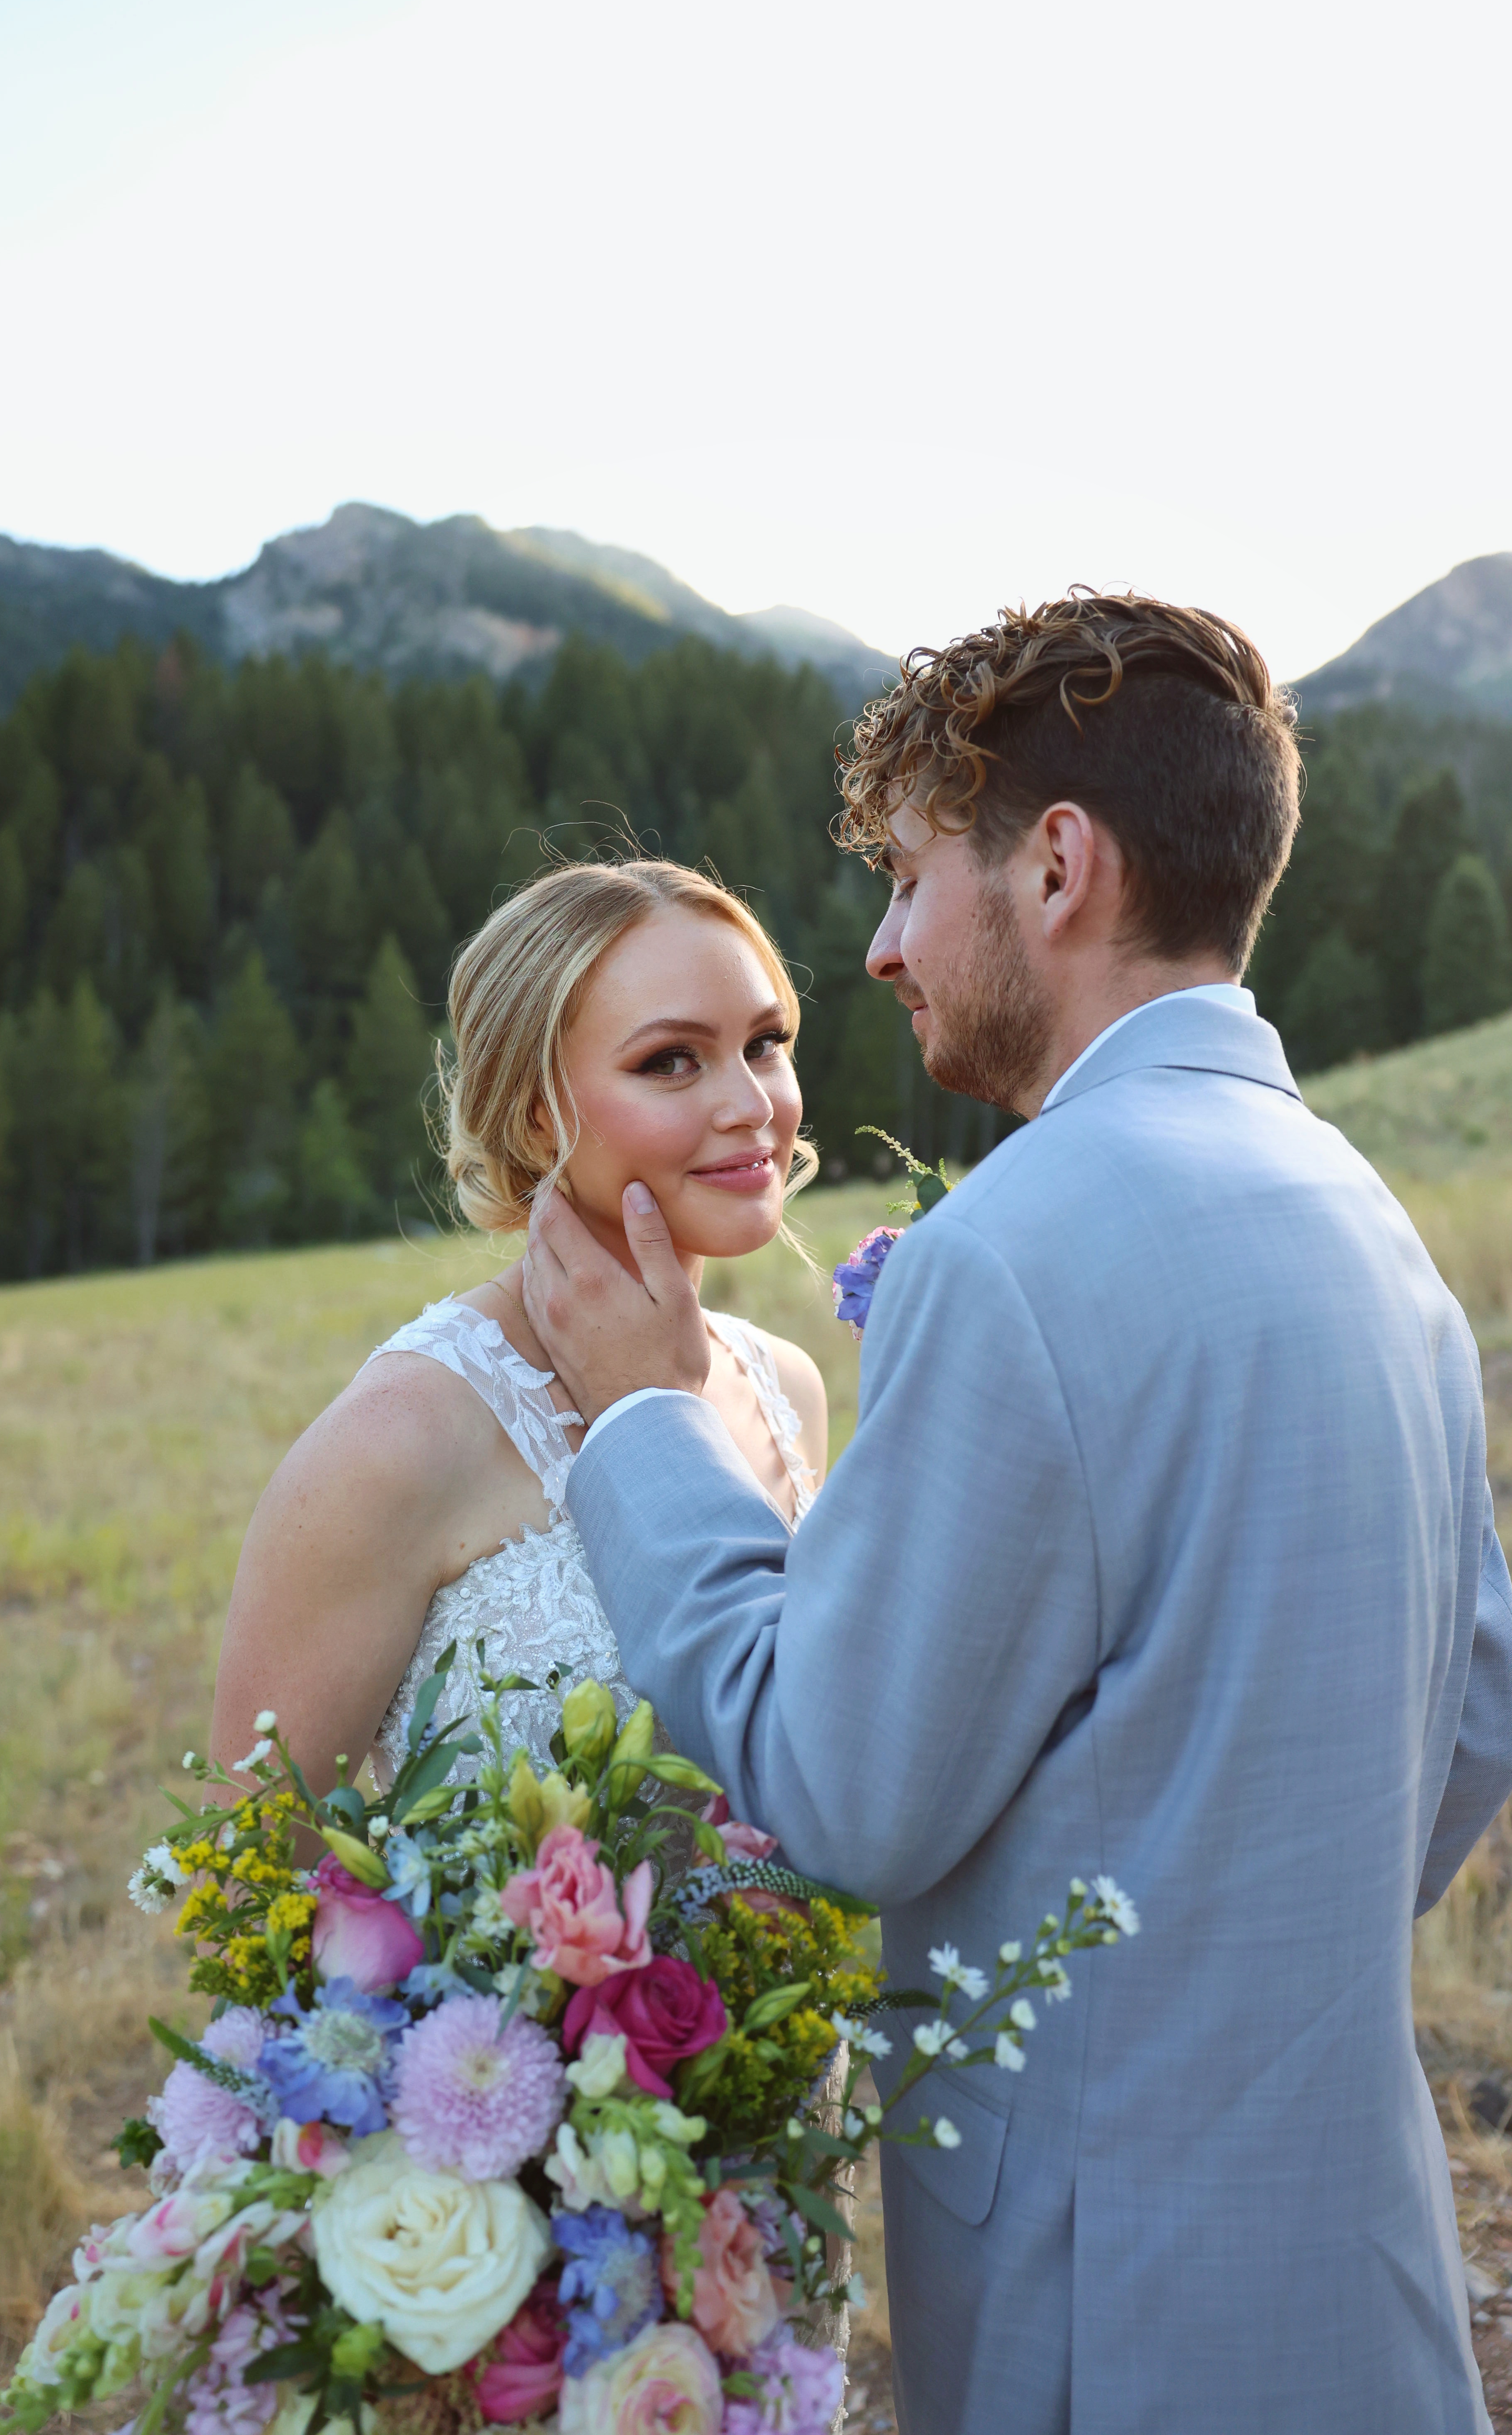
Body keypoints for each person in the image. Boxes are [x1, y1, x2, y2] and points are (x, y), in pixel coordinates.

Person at [520, 593, 1512, 2435]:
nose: (885, 948)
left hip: (1105, 2303)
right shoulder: (1370, 1221)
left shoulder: (1013, 1250)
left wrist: (651, 1425)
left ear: (1055, 866)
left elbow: (837, 1793)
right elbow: (1473, 1707)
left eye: (910, 877)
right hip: (1351, 2266)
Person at [208, 858, 826, 1795]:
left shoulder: (788, 1386)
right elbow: (246, 1882)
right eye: (670, 1061)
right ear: (538, 1119)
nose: (751, 1107)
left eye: (764, 1043)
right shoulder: (398, 1439)